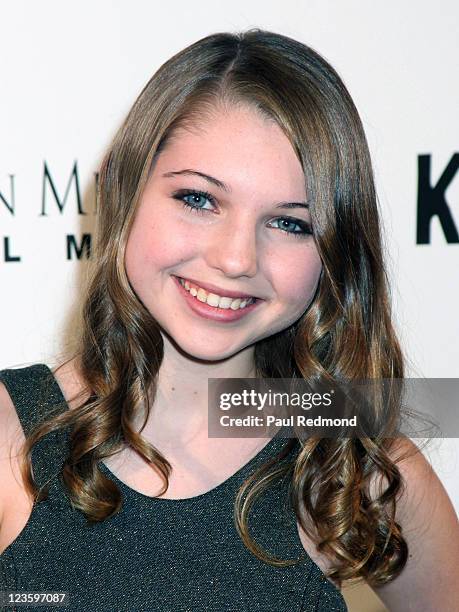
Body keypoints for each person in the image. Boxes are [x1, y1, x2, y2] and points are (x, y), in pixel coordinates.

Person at [0, 28, 458, 612]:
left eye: (290, 223)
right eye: (198, 199)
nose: (237, 259)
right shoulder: (12, 431)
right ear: (122, 187)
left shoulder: (353, 455)